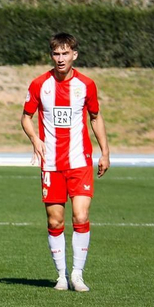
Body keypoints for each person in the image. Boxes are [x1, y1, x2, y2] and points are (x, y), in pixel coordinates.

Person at [20, 33, 110, 292]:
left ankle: (77, 274)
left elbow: (95, 117)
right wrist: (35, 139)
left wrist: (105, 152)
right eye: (56, 54)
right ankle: (61, 275)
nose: (60, 59)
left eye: (65, 54)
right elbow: (26, 117)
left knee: (81, 215)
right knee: (55, 221)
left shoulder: (86, 85)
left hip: (80, 161)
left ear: (74, 55)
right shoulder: (39, 84)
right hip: (51, 164)